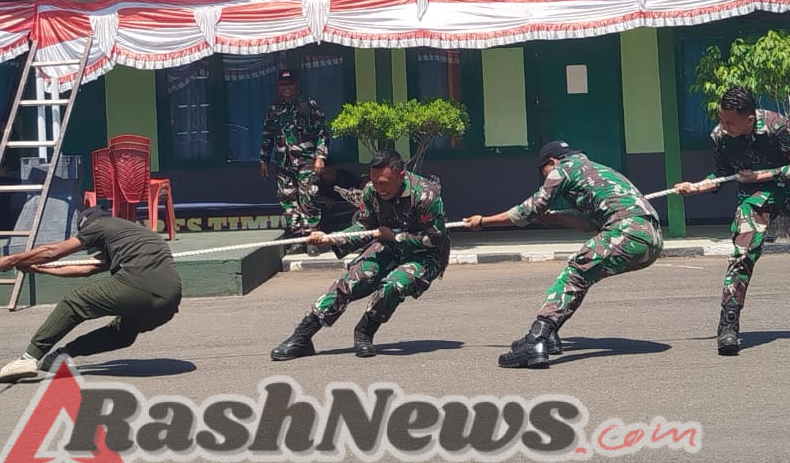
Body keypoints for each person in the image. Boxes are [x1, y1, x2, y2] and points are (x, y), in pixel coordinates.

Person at [675, 85, 790, 356]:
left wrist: (762, 176)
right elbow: (722, 174)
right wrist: (695, 187)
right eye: (721, 119)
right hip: (755, 198)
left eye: (729, 122)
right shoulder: (720, 136)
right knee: (743, 253)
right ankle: (729, 326)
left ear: (749, 118)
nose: (723, 126)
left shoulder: (778, 127)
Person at [464, 140, 664, 369]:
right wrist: (553, 217)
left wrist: (483, 222)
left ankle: (536, 339)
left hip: (626, 231)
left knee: (575, 272)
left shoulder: (562, 169)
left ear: (551, 162)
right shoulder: (599, 170)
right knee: (584, 275)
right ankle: (550, 335)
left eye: (544, 173)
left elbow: (527, 211)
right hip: (652, 239)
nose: (546, 177)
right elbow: (590, 222)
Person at [271, 149, 447, 360]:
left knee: (395, 284)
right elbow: (364, 227)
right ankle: (302, 337)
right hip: (389, 246)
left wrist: (396, 237)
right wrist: (330, 238)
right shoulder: (371, 191)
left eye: (384, 182)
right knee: (352, 280)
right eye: (374, 181)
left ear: (401, 175)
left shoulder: (426, 195)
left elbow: (435, 239)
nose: (379, 188)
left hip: (425, 254)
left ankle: (365, 331)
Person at [0, 208, 183, 382]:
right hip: (170, 299)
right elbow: (86, 268)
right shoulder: (132, 235)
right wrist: (37, 269)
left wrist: (13, 259)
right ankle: (61, 356)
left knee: (74, 303)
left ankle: (29, 358)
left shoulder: (98, 225)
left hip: (138, 282)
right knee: (121, 333)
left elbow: (52, 251)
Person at [258, 69, 329, 241]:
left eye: (290, 84)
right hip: (283, 162)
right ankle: (298, 238)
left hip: (307, 161)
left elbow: (322, 132)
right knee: (287, 200)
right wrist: (263, 159)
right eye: (283, 84)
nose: (287, 87)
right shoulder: (274, 109)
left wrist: (321, 157)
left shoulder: (309, 105)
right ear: (278, 87)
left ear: (297, 85)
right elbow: (267, 135)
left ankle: (313, 238)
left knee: (309, 198)